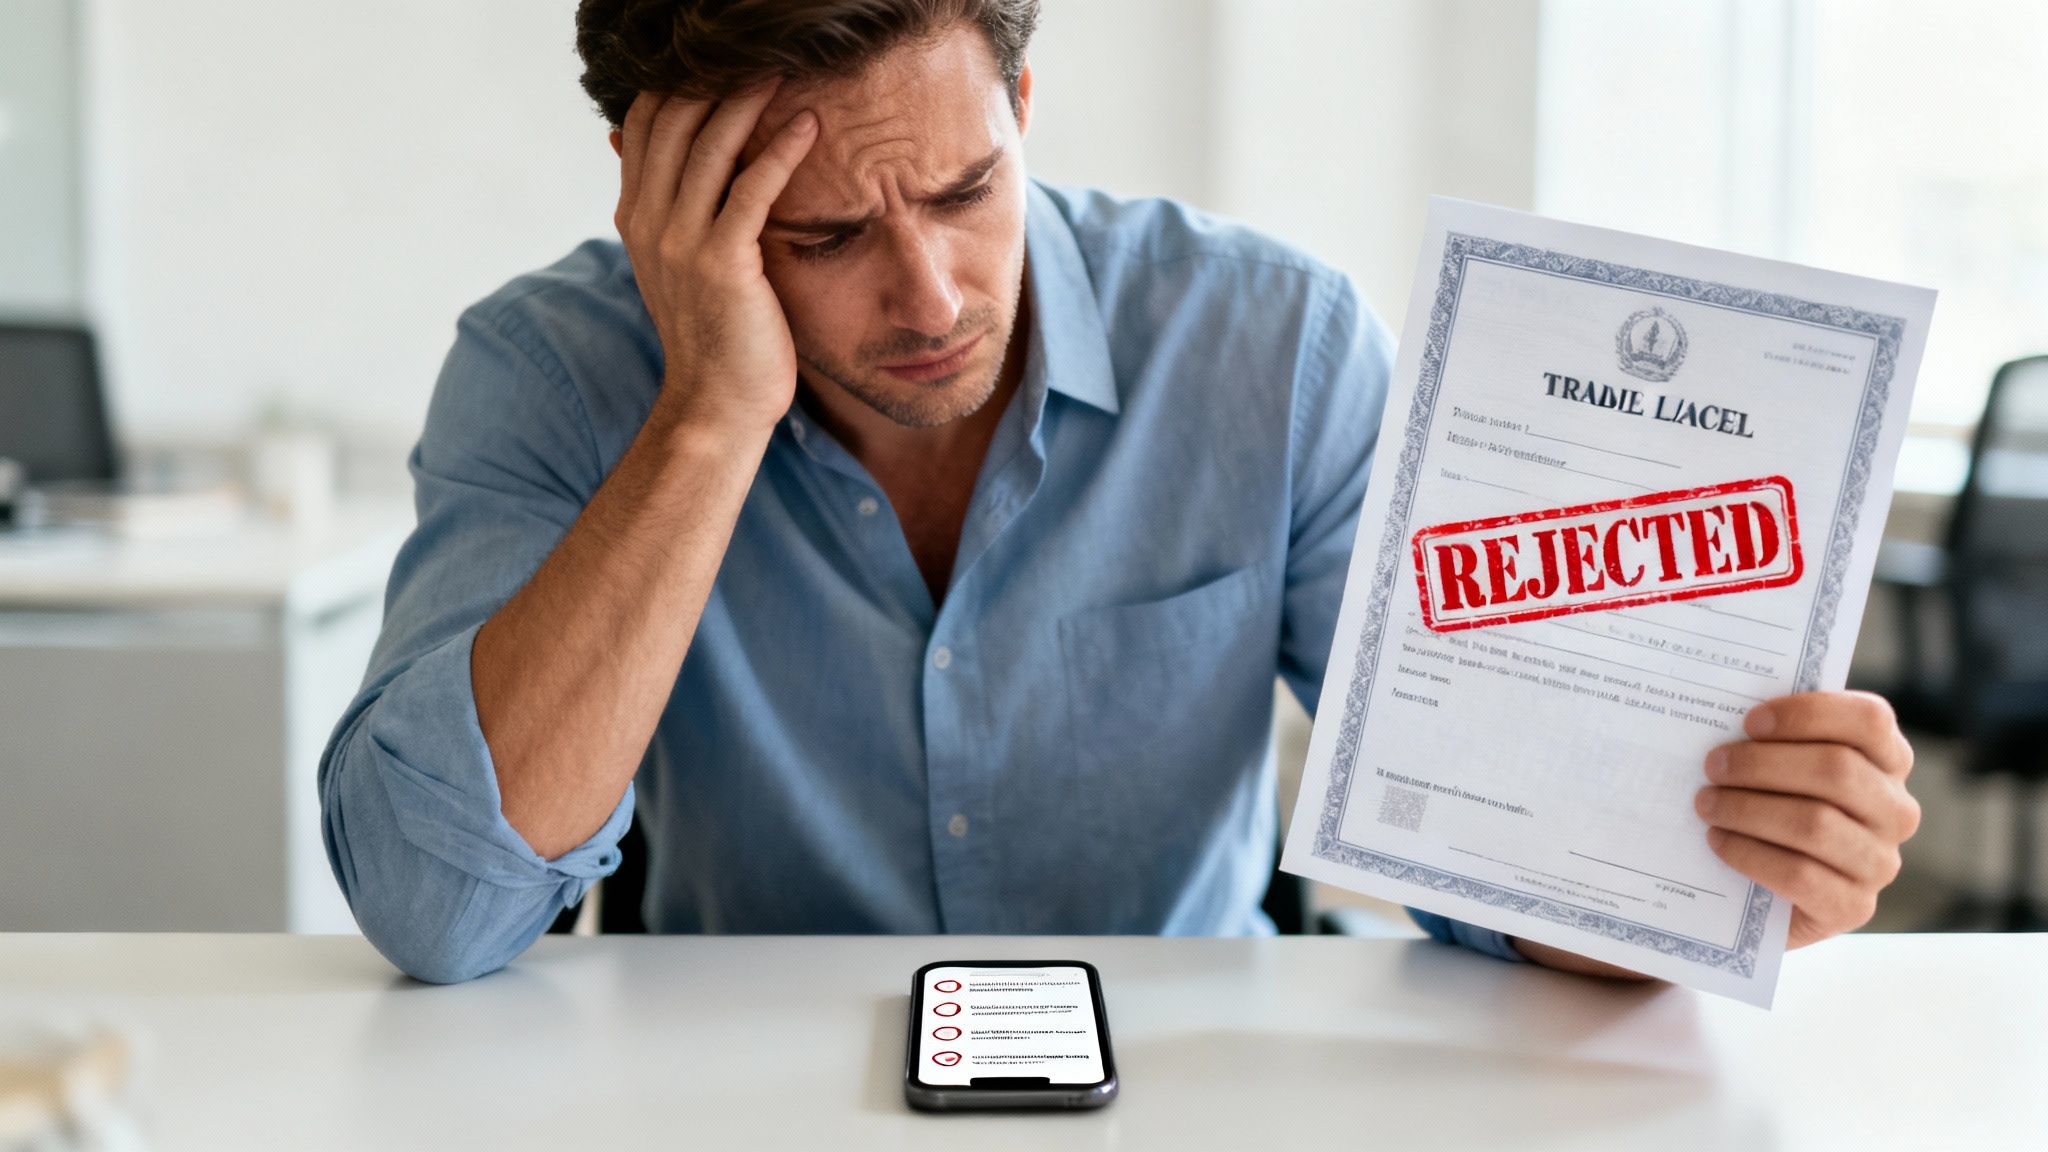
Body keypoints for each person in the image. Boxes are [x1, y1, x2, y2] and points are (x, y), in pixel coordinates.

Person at [319, 0, 1921, 984]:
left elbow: (1500, 877)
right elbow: (437, 909)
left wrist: (1703, 884)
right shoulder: (554, 374)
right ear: (668, 200)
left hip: (1189, 1101)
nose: (932, 296)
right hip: (745, 1106)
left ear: (1021, 112)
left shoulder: (1271, 347)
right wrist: (708, 419)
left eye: (967, 191)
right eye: (824, 237)